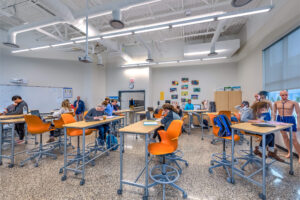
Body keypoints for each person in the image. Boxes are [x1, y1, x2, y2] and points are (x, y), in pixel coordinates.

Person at [273, 90, 300, 163]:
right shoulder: (276, 103)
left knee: (294, 139)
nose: (284, 96)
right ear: (280, 95)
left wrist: (298, 124)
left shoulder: (293, 102)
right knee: (284, 137)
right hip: (280, 119)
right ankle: (289, 152)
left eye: (286, 95)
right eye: (283, 95)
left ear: (288, 95)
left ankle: (299, 154)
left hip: (290, 119)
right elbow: (274, 113)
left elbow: (298, 114)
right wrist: (273, 121)